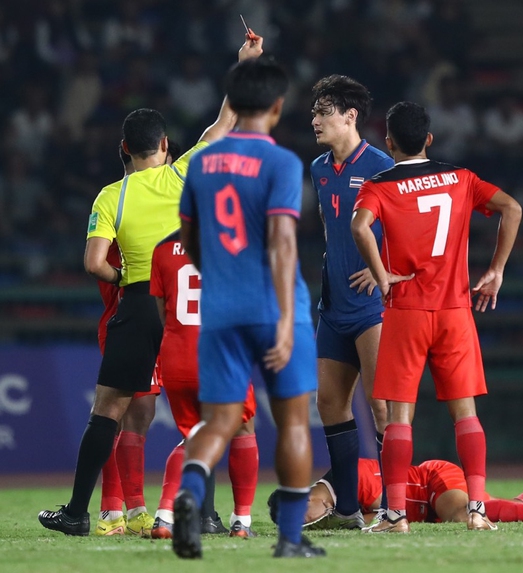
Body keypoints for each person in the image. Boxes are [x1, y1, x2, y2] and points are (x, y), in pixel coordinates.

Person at [37, 31, 264, 537]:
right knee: (212, 410)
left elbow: (94, 263)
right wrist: (245, 61)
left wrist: (127, 279)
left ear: (125, 149)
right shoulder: (185, 173)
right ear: (165, 146)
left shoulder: (109, 197)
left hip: (138, 302)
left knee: (109, 412)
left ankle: (79, 512)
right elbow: (225, 120)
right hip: (190, 307)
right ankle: (209, 511)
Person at [173, 58, 324, 559]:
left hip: (220, 310)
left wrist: (218, 278)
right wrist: (284, 319)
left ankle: (190, 496)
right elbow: (282, 244)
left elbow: (189, 239)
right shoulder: (281, 163)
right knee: (293, 424)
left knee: (219, 421)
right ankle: (291, 538)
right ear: (278, 108)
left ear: (232, 105)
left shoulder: (200, 162)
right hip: (275, 308)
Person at [351, 101, 522, 532]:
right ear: (429, 139)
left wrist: (382, 278)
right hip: (455, 311)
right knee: (465, 415)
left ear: (388, 142)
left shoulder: (379, 185)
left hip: (406, 310)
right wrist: (496, 270)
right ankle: (478, 512)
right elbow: (513, 208)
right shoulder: (461, 178)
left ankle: (394, 517)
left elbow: (358, 227)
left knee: (399, 417)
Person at [309, 75, 393, 529]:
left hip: (371, 307)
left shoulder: (382, 166)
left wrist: (387, 270)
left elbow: (407, 232)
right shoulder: (319, 168)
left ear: (350, 116)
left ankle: (391, 507)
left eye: (324, 112)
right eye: (315, 112)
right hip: (333, 307)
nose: (315, 120)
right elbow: (329, 227)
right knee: (330, 404)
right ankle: (346, 511)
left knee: (381, 407)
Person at [148, 229, 260, 539]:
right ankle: (242, 522)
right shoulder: (233, 243)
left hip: (177, 356)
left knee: (192, 436)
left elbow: (163, 312)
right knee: (242, 429)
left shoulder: (162, 248)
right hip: (220, 353)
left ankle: (163, 517)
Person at [93, 143, 175, 537]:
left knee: (141, 416)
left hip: (157, 321)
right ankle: (111, 510)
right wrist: (123, 279)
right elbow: (100, 263)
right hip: (126, 318)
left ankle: (137, 507)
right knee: (115, 415)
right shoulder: (116, 202)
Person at [268, 458, 523, 527]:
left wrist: (369, 518)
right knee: (503, 505)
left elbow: (389, 504)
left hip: (434, 479)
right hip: (429, 505)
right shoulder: (328, 510)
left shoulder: (350, 476)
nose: (305, 522)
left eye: (300, 516)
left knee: (467, 516)